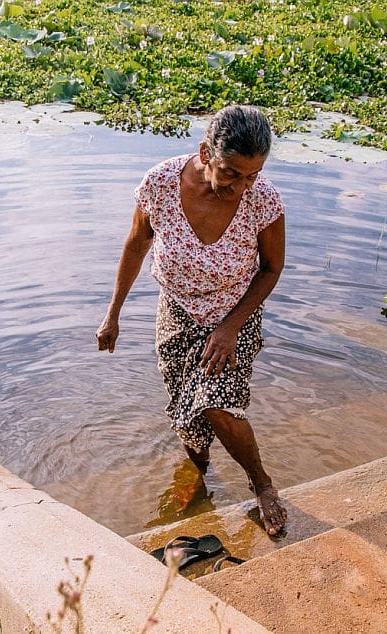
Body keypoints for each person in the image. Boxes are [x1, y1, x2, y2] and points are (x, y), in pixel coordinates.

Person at [96, 105, 288, 536]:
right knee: (187, 413)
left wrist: (230, 327)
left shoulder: (264, 201)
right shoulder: (160, 184)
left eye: (253, 175)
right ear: (205, 153)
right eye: (232, 174)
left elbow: (272, 268)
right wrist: (113, 315)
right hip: (177, 312)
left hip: (234, 312)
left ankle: (262, 485)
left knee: (217, 403)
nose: (243, 187)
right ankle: (200, 474)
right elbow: (135, 245)